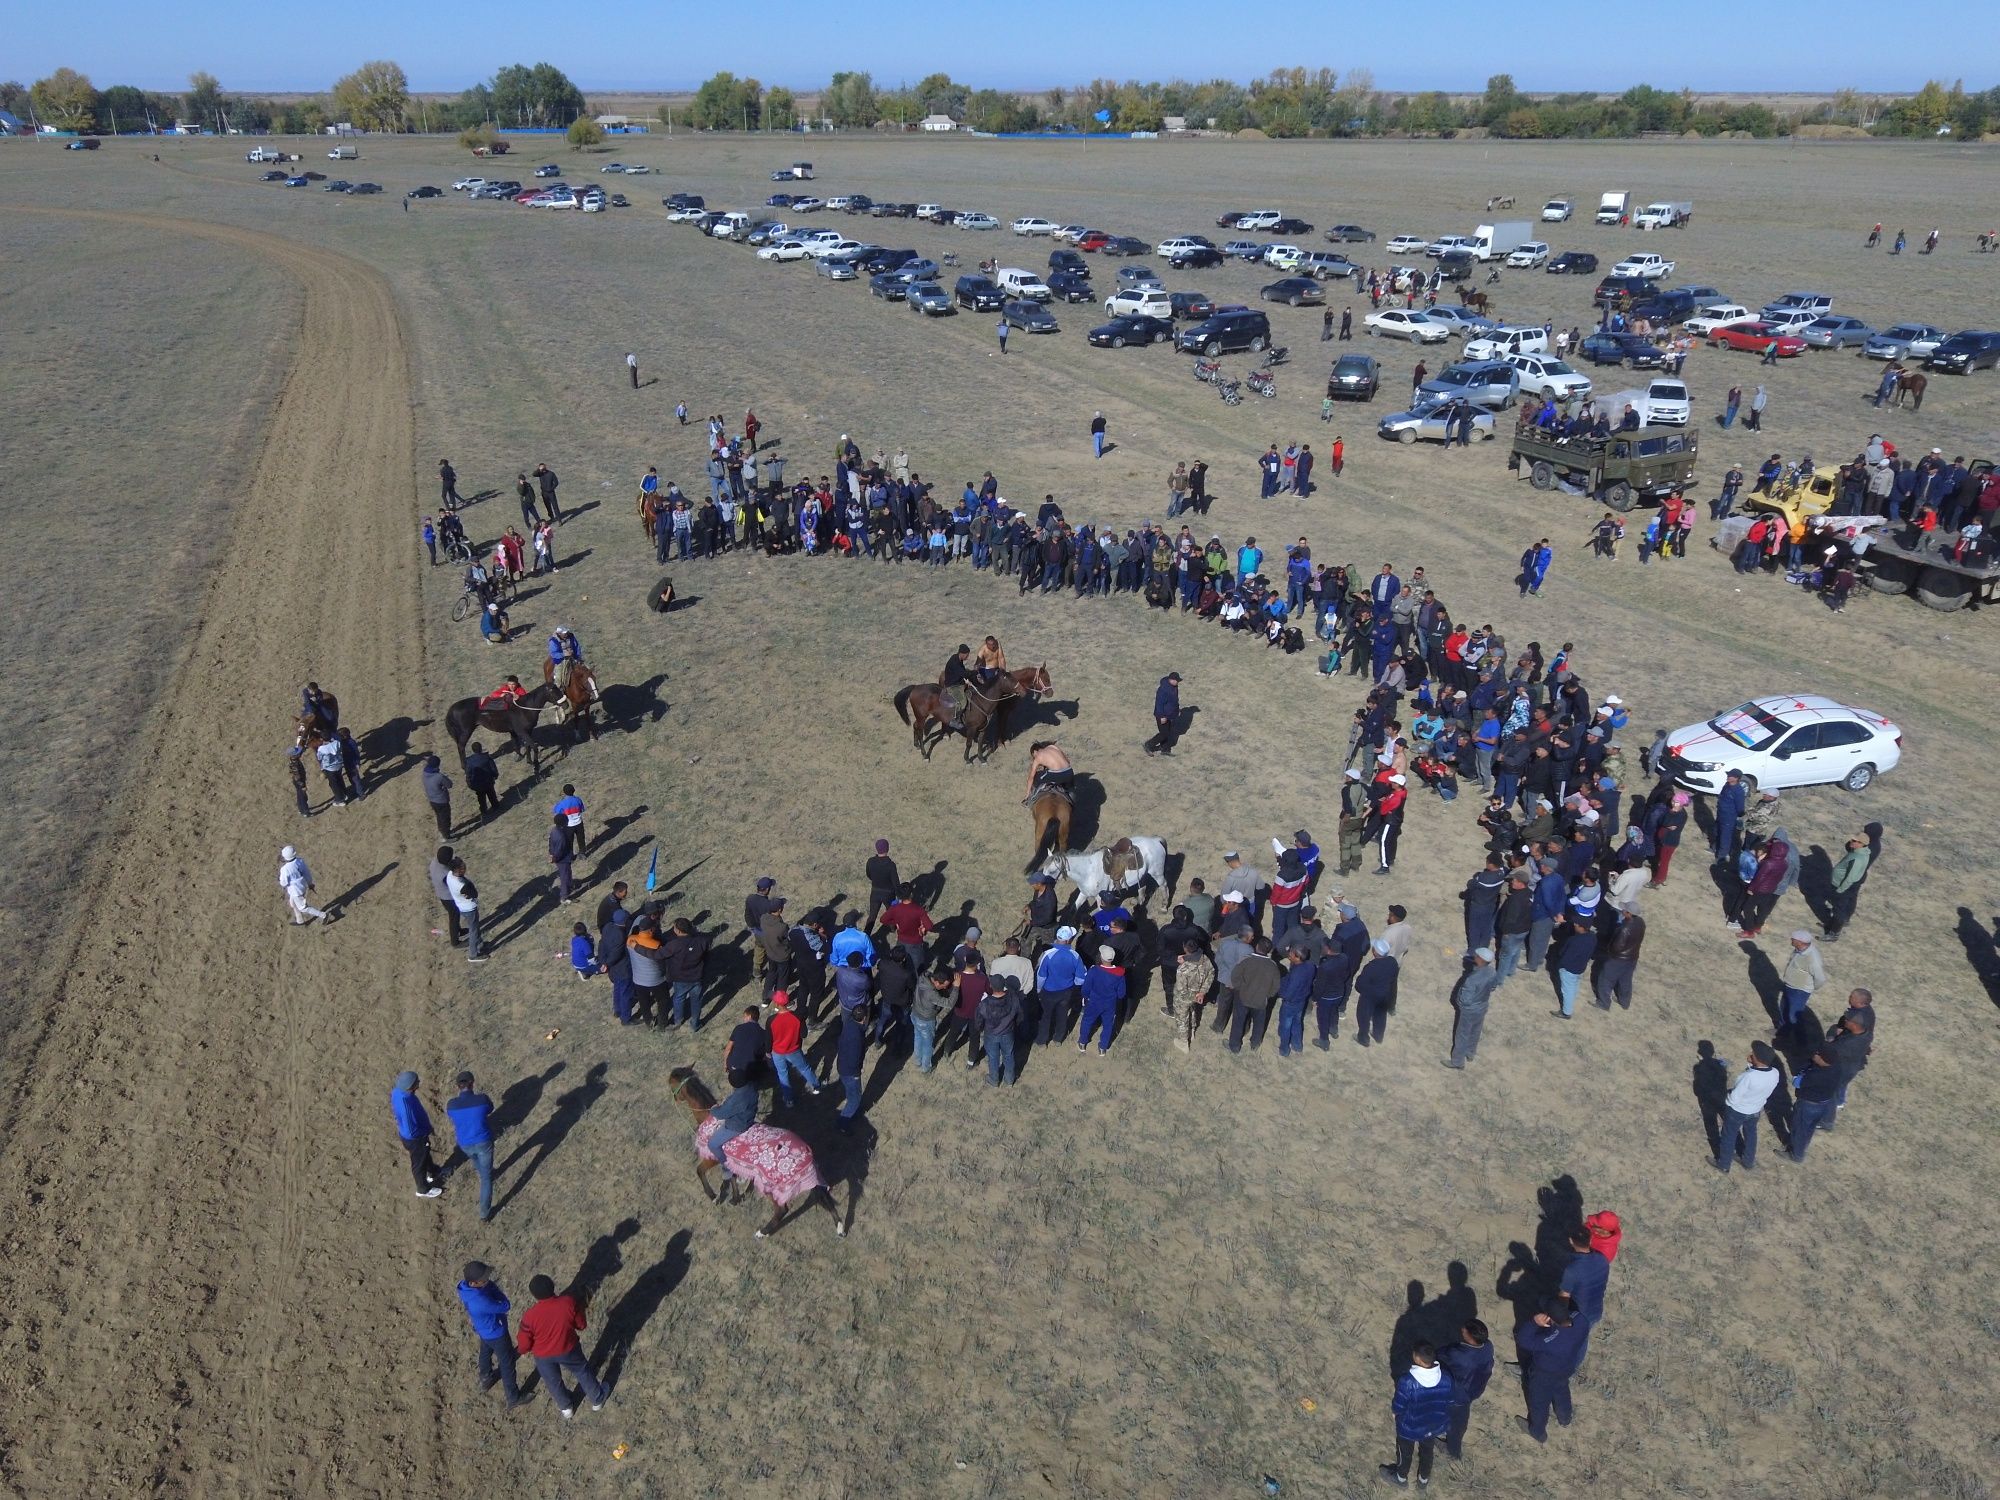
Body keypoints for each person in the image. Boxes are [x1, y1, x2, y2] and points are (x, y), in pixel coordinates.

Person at [516, 1274, 607, 1418]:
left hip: (543, 1355)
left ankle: (566, 1408)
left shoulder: (530, 1316)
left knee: (553, 1381)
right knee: (582, 1371)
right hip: (568, 1348)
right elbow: (581, 1325)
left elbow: (524, 1343)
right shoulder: (568, 1303)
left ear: (534, 1295)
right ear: (553, 1287)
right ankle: (597, 1399)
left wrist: (523, 1350)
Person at [1382, 1341, 1455, 1487]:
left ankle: (1401, 1478)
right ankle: (1423, 1481)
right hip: (1432, 1426)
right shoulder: (1446, 1376)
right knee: (1427, 1452)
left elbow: (1399, 1404)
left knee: (1405, 1452)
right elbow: (1451, 1401)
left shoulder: (1407, 1381)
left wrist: (1396, 1414)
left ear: (1418, 1359)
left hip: (1409, 1427)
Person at [1515, 1302, 1586, 1443]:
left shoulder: (1550, 1340)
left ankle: (1538, 1432)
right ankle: (1565, 1418)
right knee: (1561, 1389)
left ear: (1552, 1320)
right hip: (1566, 1367)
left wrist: (1533, 1322)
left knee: (1539, 1402)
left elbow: (1523, 1340)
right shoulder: (1581, 1320)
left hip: (1544, 1373)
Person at [456, 1262, 524, 1407]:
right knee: (507, 1363)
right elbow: (505, 1305)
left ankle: (486, 1377)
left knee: (485, 1351)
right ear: (473, 1283)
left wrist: (488, 1286)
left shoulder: (466, 1289)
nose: (488, 1280)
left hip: (483, 1329)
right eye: (484, 1279)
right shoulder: (481, 1301)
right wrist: (494, 1289)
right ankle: (513, 1397)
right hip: (497, 1333)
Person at [1716, 1040, 1781, 1171]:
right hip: (1755, 1110)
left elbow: (1734, 1099)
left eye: (1753, 1053)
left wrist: (1726, 1098)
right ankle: (1748, 1161)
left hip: (1738, 1111)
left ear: (1758, 1059)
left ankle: (1724, 1165)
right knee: (1751, 1134)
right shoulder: (1775, 1073)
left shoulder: (1748, 1077)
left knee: (1729, 1135)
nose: (1751, 1053)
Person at [446, 1071, 497, 1221]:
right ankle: (484, 1213)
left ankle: (483, 1170)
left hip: (465, 1144)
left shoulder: (451, 1105)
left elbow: (451, 1116)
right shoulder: (482, 1099)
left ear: (458, 1086)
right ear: (472, 1083)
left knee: (476, 1161)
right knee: (486, 1179)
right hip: (483, 1142)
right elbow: (490, 1109)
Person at [1439, 1320, 1493, 1460]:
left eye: (1465, 1330)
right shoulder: (1488, 1346)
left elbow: (1440, 1356)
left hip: (1458, 1393)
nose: (1462, 1329)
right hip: (1475, 1388)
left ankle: (1452, 1451)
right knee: (1460, 1421)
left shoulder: (1459, 1354)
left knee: (1455, 1422)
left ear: (1470, 1338)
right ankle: (1454, 1448)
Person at [1442, 947, 1499, 1069]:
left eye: (1477, 956)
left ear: (1481, 960)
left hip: (1469, 1009)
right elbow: (1493, 986)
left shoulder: (1472, 979)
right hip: (1482, 1005)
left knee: (1462, 1034)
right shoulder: (1492, 972)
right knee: (1476, 1029)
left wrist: (1460, 1004)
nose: (1475, 957)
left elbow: (1465, 999)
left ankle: (1457, 1061)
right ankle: (1470, 1052)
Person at [392, 1071, 444, 1198]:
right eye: (417, 1082)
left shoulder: (397, 1092)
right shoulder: (406, 1107)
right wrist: (424, 1133)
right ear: (410, 1087)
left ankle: (433, 1171)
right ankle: (423, 1189)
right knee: (418, 1164)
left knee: (425, 1154)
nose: (419, 1083)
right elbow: (411, 1130)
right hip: (415, 1139)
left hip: (410, 1135)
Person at [1776, 931, 1826, 1037]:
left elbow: (1820, 978)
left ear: (1800, 942)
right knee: (1784, 1008)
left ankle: (1792, 1037)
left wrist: (1810, 987)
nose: (1791, 940)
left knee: (1793, 1015)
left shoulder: (1812, 959)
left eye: (1793, 939)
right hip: (1789, 985)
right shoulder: (1799, 950)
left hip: (1800, 991)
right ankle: (1781, 1030)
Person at [1822, 834, 1871, 940]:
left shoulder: (1857, 859)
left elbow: (1850, 877)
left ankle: (1833, 934)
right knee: (1837, 908)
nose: (1851, 841)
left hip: (1842, 887)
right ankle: (1831, 926)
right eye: (1852, 839)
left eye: (1855, 840)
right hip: (1842, 886)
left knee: (1839, 911)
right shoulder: (1861, 852)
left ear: (1862, 844)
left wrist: (1840, 890)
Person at [1078, 951, 1127, 1055]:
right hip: (1110, 1003)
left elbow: (1086, 988)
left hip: (1094, 1002)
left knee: (1087, 1021)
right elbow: (1121, 993)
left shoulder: (1094, 971)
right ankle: (1103, 1048)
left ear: (1101, 957)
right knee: (1108, 1024)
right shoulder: (1120, 973)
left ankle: (1082, 1042)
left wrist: (1085, 997)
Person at [1353, 937, 1399, 1046]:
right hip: (1385, 995)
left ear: (1374, 952)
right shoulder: (1392, 962)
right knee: (1380, 1015)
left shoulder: (1371, 967)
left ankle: (1363, 1038)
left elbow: (1360, 985)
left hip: (1370, 997)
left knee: (1364, 1016)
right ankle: (1378, 1035)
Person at [979, 974, 1024, 1084]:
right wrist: (1014, 1026)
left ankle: (994, 1080)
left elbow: (979, 1020)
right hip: (1008, 1033)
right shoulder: (1013, 999)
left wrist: (980, 1028)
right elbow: (1020, 1016)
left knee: (993, 1057)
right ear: (1004, 985)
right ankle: (1009, 1080)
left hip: (991, 1034)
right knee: (1009, 1056)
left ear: (991, 986)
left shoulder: (985, 1003)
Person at [278, 844, 332, 926]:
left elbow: (284, 883)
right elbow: (307, 874)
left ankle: (323, 915)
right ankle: (299, 920)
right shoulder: (300, 861)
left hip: (295, 891)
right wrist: (310, 883)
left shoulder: (285, 869)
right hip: (302, 886)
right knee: (292, 903)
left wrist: (280, 881)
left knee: (303, 908)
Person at [1143, 672, 1182, 756]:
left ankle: (1165, 748)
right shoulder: (1163, 690)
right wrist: (1162, 716)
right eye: (1176, 680)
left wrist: (1177, 710)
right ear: (1171, 680)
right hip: (1162, 715)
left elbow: (1174, 700)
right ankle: (1149, 745)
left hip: (1170, 714)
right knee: (1164, 733)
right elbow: (1159, 704)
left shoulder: (1174, 687)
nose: (1177, 682)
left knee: (1168, 732)